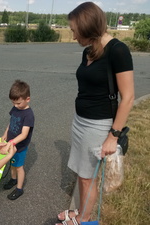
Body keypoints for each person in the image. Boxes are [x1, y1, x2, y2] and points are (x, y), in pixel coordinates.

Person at [56, 2, 134, 225]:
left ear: (88, 27)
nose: (72, 36)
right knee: (83, 174)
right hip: (81, 122)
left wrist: (113, 135)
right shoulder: (88, 51)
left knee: (87, 177)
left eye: (74, 31)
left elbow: (128, 97)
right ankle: (81, 212)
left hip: (98, 125)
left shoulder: (118, 50)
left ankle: (83, 218)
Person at [1, 80, 35, 200]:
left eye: (18, 103)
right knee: (12, 164)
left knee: (19, 167)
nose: (15, 105)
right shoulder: (15, 109)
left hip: (19, 147)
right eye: (13, 103)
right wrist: (6, 133)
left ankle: (19, 188)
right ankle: (13, 179)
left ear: (27, 99)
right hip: (11, 144)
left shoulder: (28, 115)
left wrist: (11, 143)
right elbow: (11, 122)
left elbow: (24, 134)